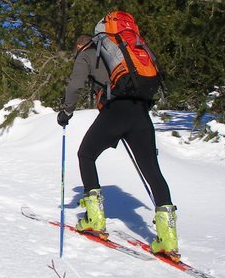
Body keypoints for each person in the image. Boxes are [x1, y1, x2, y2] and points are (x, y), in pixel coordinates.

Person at [57, 26, 180, 260]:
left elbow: (75, 85)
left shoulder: (87, 54)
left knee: (86, 155)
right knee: (152, 171)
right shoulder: (125, 54)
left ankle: (94, 219)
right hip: (141, 114)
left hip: (116, 111)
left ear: (79, 47)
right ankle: (168, 239)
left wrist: (66, 112)